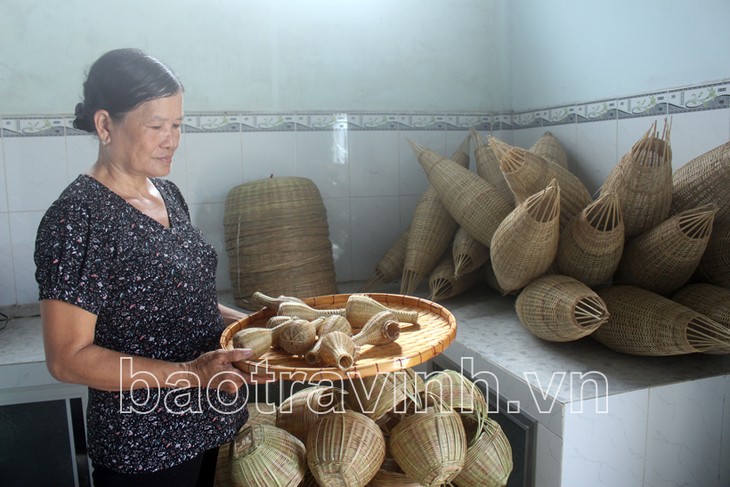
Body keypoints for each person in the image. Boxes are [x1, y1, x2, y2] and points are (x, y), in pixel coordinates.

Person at [34, 48, 261, 487]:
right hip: (144, 449)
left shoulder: (168, 194)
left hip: (210, 425)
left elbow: (181, 301)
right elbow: (67, 359)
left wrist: (257, 326)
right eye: (157, 126)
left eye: (177, 125)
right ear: (105, 125)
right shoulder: (78, 217)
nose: (172, 139)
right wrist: (192, 374)